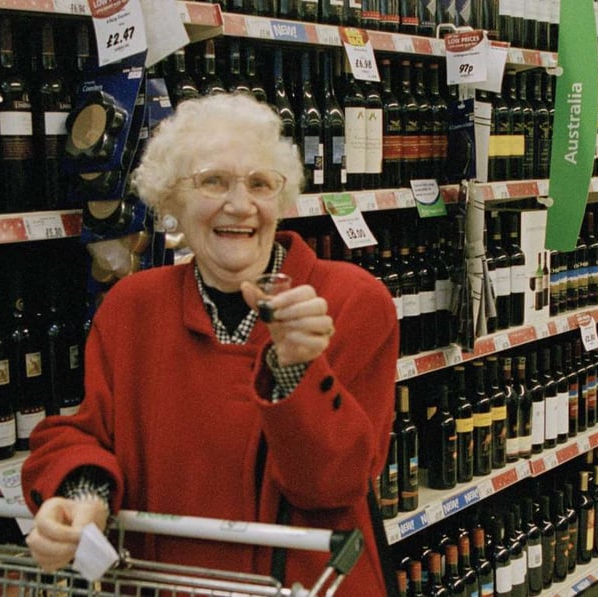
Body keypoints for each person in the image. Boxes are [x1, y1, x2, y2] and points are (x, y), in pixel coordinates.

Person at [21, 93, 399, 595]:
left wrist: (296, 369)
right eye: (212, 181)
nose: (239, 205)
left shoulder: (350, 302)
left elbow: (332, 486)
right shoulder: (131, 308)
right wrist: (82, 492)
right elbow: (86, 432)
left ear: (282, 202)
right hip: (166, 583)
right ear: (171, 200)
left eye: (260, 183)